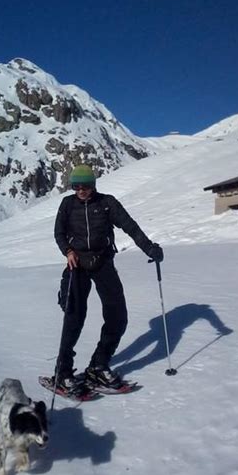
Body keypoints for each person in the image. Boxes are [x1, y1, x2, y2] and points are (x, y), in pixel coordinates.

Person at [53, 164, 163, 393]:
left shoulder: (107, 203)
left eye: (86, 185)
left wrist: (149, 248)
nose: (81, 190)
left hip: (103, 263)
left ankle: (98, 365)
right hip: (77, 265)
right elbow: (59, 233)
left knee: (118, 316)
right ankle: (63, 373)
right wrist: (68, 251)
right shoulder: (67, 204)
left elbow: (130, 227)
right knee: (74, 318)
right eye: (76, 186)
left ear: (94, 185)